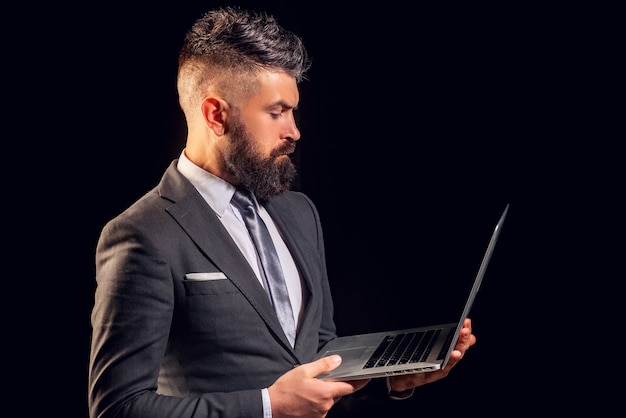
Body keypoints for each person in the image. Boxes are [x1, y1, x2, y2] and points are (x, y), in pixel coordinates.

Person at [88, 6, 476, 418]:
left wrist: (390, 378)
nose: (294, 131)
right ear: (215, 115)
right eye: (276, 113)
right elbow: (118, 407)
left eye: (292, 111)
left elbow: (318, 354)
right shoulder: (142, 234)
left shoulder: (298, 212)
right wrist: (267, 406)